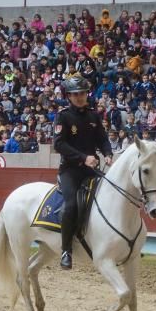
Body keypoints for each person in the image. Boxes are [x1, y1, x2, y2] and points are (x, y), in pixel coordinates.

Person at [52, 76, 113, 270]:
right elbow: (58, 144)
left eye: (82, 93)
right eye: (75, 94)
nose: (79, 97)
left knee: (109, 200)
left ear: (87, 94)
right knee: (71, 206)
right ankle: (66, 250)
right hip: (70, 171)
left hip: (91, 170)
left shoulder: (94, 115)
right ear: (69, 96)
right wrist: (83, 157)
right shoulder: (63, 116)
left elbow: (102, 139)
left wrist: (108, 153)